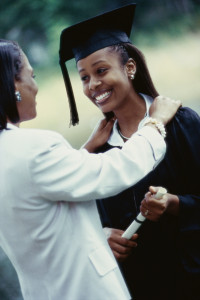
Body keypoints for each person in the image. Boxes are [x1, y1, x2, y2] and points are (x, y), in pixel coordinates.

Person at [0, 39, 180, 300]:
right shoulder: (35, 147)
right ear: (13, 85)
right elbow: (115, 170)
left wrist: (83, 151)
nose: (35, 86)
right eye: (32, 75)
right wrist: (154, 123)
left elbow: (38, 196)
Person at [59, 3, 200, 300]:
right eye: (84, 77)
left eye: (101, 70)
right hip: (135, 287)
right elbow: (78, 222)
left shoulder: (182, 124)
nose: (93, 85)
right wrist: (101, 239)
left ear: (130, 67)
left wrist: (174, 203)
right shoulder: (95, 153)